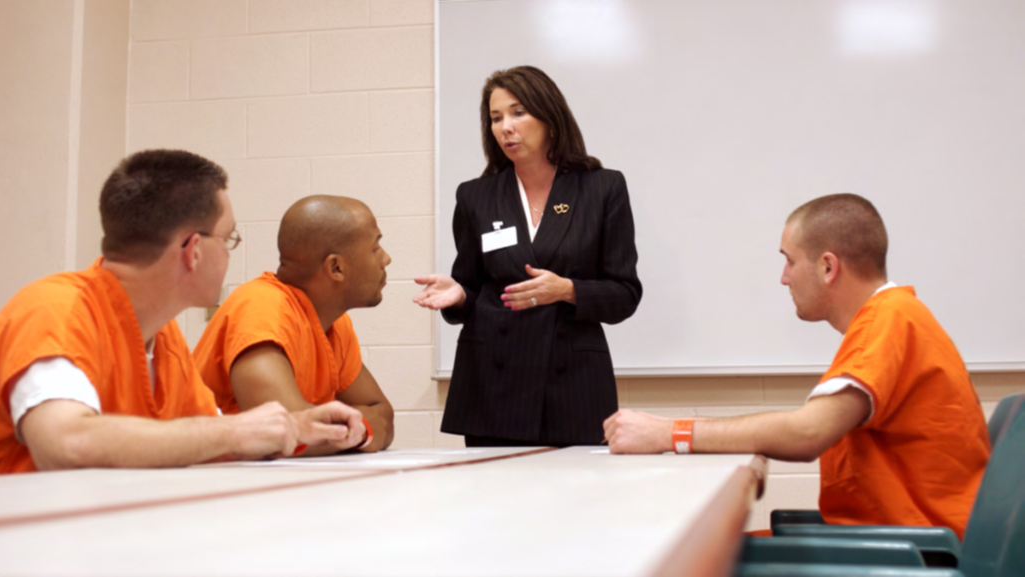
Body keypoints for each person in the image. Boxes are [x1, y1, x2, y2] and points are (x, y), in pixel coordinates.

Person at [604, 193, 990, 538]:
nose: (783, 278)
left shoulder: (888, 320)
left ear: (827, 267)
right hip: (896, 541)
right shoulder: (893, 317)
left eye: (789, 261)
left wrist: (669, 432)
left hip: (913, 554)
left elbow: (808, 433)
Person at [0, 150, 363, 474]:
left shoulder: (165, 338)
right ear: (194, 250)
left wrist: (296, 428)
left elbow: (205, 438)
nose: (229, 254)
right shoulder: (55, 310)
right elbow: (66, 445)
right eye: (228, 239)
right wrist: (236, 431)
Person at [413, 66, 642, 446]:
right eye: (495, 117)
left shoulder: (602, 188)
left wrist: (567, 289)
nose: (505, 127)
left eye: (518, 112)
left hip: (571, 382)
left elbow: (625, 293)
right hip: (493, 380)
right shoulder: (476, 196)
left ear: (550, 116)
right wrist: (459, 294)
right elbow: (470, 285)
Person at [195, 196, 395, 454]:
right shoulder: (262, 307)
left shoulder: (335, 323)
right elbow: (285, 434)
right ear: (336, 267)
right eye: (375, 247)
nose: (386, 259)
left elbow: (384, 415)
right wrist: (363, 431)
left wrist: (355, 430)